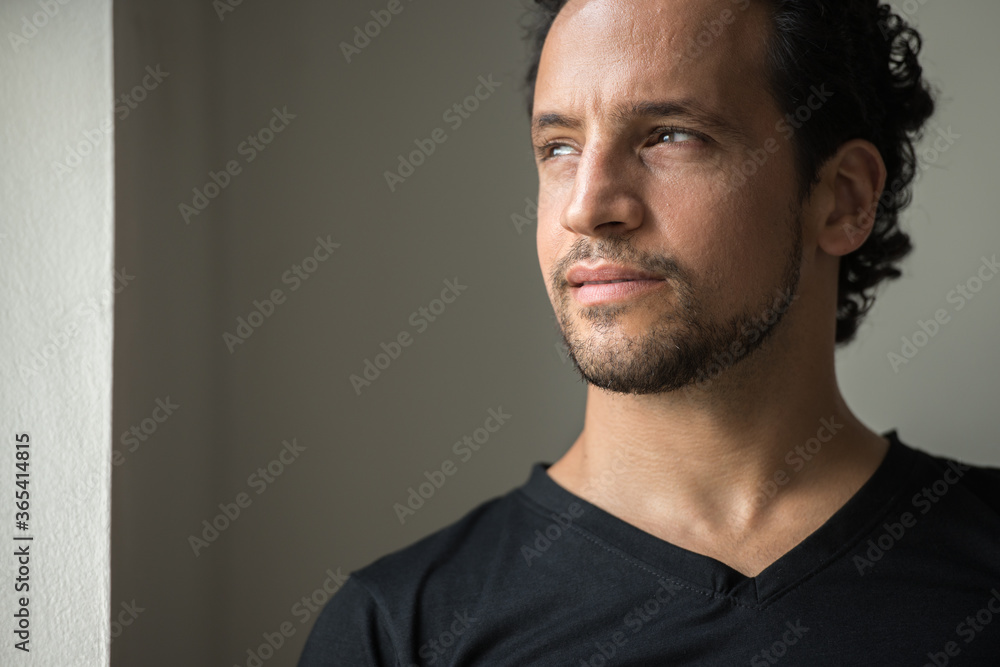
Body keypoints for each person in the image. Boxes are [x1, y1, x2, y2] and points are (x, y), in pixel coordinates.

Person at [298, 1, 1000, 664]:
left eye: (669, 135)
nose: (588, 206)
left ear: (844, 197)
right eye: (560, 147)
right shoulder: (399, 631)